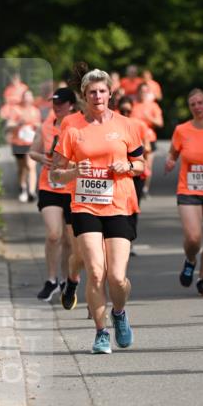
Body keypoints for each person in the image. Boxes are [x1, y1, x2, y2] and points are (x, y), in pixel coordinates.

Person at [52, 69, 146, 354]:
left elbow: (141, 164)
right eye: (91, 92)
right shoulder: (72, 126)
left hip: (119, 204)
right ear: (84, 95)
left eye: (102, 91)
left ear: (110, 94)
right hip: (85, 204)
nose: (97, 96)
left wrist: (127, 167)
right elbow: (56, 173)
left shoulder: (128, 125)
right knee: (95, 272)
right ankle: (101, 331)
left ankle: (119, 313)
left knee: (117, 277)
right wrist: (72, 172)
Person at [165, 88, 203, 296]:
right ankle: (190, 260)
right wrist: (170, 161)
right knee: (194, 238)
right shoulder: (182, 130)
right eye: (193, 104)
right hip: (188, 189)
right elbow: (173, 153)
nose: (197, 107)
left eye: (200, 103)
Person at [29, 87, 79, 302]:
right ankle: (51, 279)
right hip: (49, 186)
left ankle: (68, 280)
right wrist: (42, 159)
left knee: (70, 240)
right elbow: (32, 151)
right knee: (53, 234)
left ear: (71, 105)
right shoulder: (46, 127)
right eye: (54, 103)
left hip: (71, 188)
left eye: (61, 103)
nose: (56, 107)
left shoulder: (79, 128)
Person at [2, 88, 40, 202]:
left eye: (30, 96)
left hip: (31, 142)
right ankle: (22, 188)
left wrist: (37, 126)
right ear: (22, 98)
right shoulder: (16, 110)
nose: (28, 98)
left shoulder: (35, 111)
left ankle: (32, 192)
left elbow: (39, 125)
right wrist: (18, 124)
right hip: (18, 142)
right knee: (21, 168)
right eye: (26, 96)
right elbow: (8, 126)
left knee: (31, 166)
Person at [118, 94, 154, 205]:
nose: (125, 114)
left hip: (136, 169)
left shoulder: (140, 125)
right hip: (119, 169)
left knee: (134, 204)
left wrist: (136, 147)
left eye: (128, 111)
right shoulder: (113, 124)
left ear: (132, 109)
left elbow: (148, 147)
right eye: (122, 111)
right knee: (121, 203)